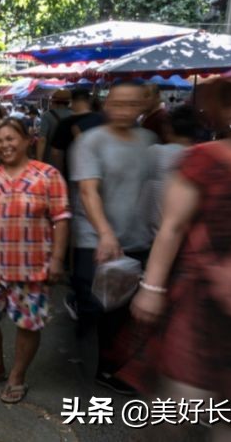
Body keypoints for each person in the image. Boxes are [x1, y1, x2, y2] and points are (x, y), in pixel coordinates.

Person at [129, 65, 231, 439]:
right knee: (179, 413)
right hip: (200, 303)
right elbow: (172, 227)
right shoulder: (205, 159)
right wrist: (152, 287)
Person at [0, 117, 70, 404]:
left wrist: (57, 259)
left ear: (27, 140)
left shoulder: (48, 175)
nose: (5, 145)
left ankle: (17, 376)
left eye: (11, 138)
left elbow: (61, 219)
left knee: (28, 323)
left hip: (31, 266)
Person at [67, 81, 157, 396]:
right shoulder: (91, 142)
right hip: (95, 237)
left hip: (136, 239)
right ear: (107, 104)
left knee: (121, 312)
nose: (124, 110)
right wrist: (105, 233)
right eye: (118, 103)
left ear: (143, 106)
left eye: (132, 104)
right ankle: (87, 360)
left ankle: (106, 367)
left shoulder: (149, 140)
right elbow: (88, 190)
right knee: (95, 306)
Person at [141, 104, 200, 237]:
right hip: (188, 235)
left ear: (168, 129)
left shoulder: (156, 152)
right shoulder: (201, 156)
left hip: (156, 234)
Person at [48, 89, 103, 178]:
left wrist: (59, 172)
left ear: (72, 101)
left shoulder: (64, 123)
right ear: (88, 101)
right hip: (98, 172)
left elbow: (55, 153)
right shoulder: (101, 119)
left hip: (72, 172)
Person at [38, 89, 71, 162]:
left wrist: (39, 160)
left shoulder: (47, 116)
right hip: (71, 159)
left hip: (51, 158)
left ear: (53, 102)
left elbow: (42, 140)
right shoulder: (75, 115)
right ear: (68, 102)